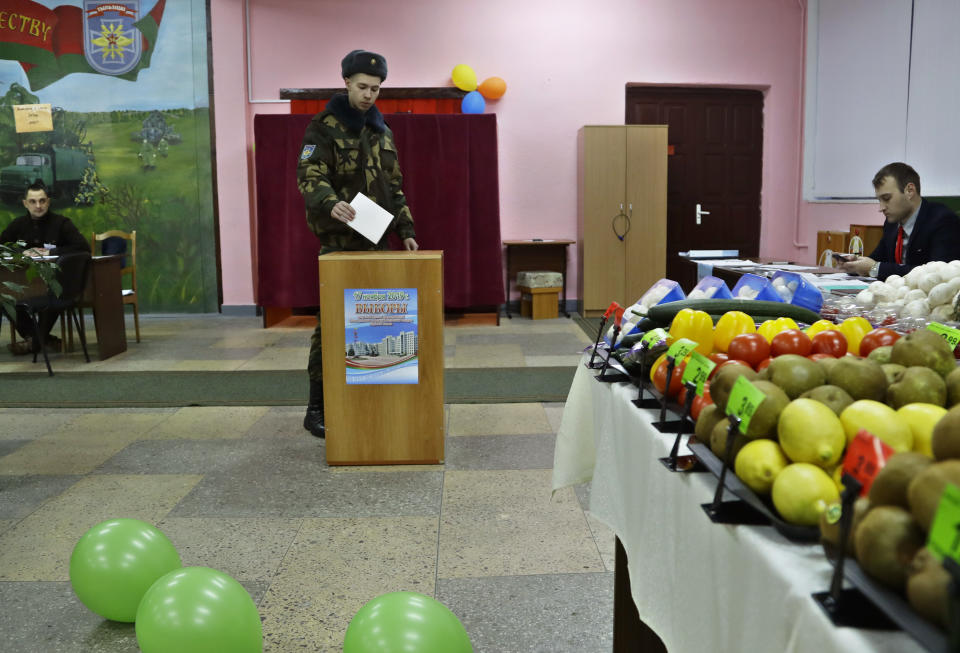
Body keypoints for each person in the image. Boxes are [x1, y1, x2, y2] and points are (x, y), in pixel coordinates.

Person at [297, 49, 419, 438]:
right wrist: (330, 203)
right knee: (331, 325)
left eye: (376, 89)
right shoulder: (323, 127)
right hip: (338, 245)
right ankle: (316, 407)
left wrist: (407, 231)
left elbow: (393, 187)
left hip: (376, 242)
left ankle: (371, 392)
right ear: (346, 82)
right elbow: (309, 175)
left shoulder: (382, 132)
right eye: (363, 87)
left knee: (373, 323)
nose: (369, 95)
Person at [0, 181, 90, 354]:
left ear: (48, 201)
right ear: (25, 203)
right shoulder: (18, 224)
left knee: (52, 294)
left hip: (55, 283)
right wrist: (23, 252)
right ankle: (41, 340)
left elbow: (83, 247)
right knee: (6, 301)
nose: (38, 206)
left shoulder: (62, 223)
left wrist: (53, 250)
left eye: (42, 201)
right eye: (33, 202)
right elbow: (3, 246)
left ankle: (33, 342)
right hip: (24, 281)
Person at [841, 162, 960, 280]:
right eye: (879, 200)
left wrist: (875, 268)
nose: (881, 208)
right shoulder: (891, 224)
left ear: (910, 191)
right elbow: (875, 260)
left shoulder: (942, 220)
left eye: (886, 198)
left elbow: (936, 275)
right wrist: (855, 265)